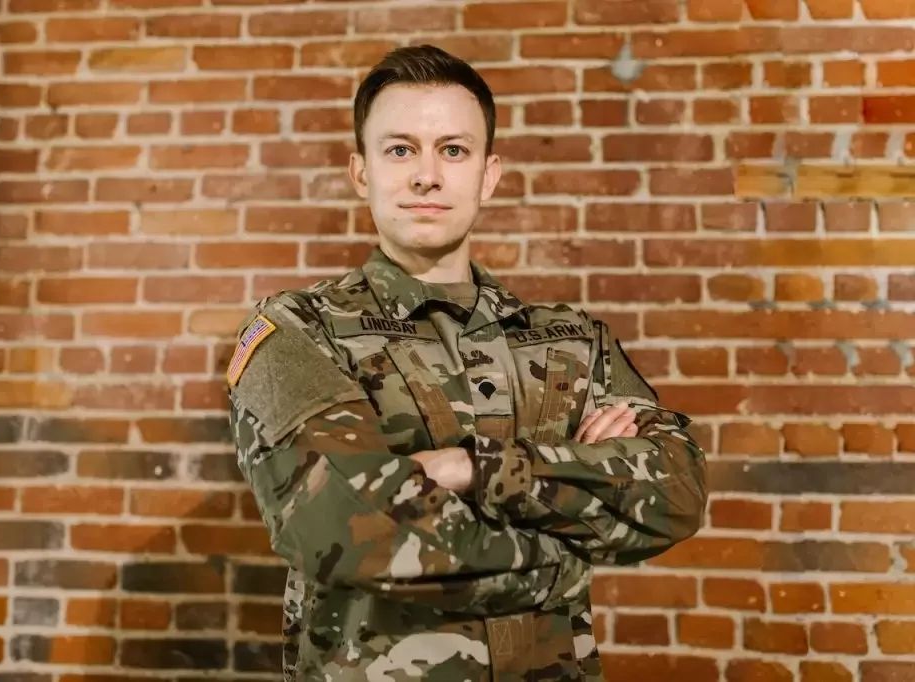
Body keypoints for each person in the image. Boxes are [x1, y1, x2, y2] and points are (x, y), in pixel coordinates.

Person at [226, 44, 708, 682]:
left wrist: (466, 468)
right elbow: (343, 529)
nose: (427, 175)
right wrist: (565, 557)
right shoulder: (298, 331)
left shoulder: (569, 340)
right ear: (360, 171)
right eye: (400, 149)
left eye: (453, 149)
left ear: (488, 173)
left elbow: (677, 491)